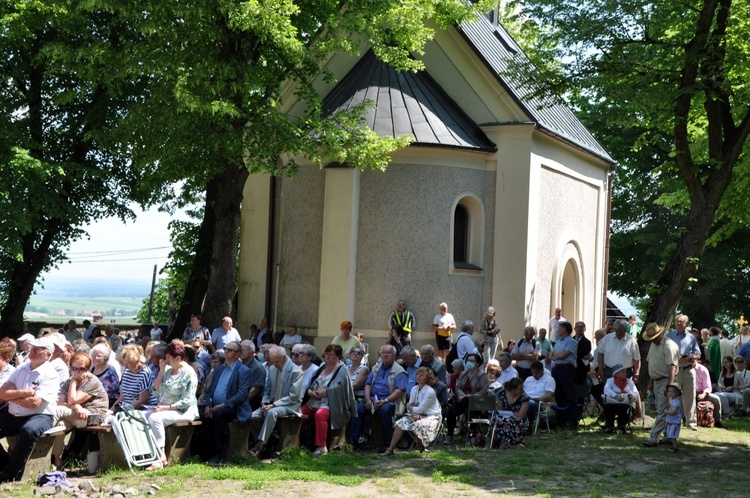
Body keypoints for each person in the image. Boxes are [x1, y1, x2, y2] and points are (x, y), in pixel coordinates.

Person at [0, 338, 58, 483]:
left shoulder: (50, 374)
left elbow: (35, 403)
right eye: (32, 348)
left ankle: (12, 473)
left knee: (29, 430)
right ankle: (6, 465)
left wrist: (12, 395)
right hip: (14, 413)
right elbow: (2, 393)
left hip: (40, 415)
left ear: (48, 355)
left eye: (38, 349)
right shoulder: (21, 369)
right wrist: (24, 392)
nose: (32, 351)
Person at [145, 342, 199, 470]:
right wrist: (162, 370)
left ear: (178, 358)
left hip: (183, 411)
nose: (165, 360)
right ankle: (147, 454)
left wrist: (165, 408)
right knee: (140, 416)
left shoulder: (188, 373)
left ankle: (159, 457)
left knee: (155, 418)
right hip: (163, 408)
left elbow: (187, 400)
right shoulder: (167, 370)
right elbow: (154, 390)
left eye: (168, 358)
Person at [52, 352, 108, 467]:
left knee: (59, 411)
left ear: (87, 368)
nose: (77, 371)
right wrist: (77, 407)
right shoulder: (68, 381)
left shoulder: (92, 381)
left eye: (81, 369)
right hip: (77, 414)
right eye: (74, 368)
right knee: (59, 427)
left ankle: (38, 437)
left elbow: (72, 400)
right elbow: (61, 402)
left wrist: (73, 383)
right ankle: (57, 461)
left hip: (93, 417)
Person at [348, 344, 407, 453]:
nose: (385, 355)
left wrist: (385, 401)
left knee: (384, 411)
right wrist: (367, 400)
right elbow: (368, 384)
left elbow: (399, 391)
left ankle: (387, 444)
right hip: (373, 399)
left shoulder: (399, 371)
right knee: (357, 409)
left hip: (390, 400)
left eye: (388, 353)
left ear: (394, 355)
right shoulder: (376, 368)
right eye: (383, 353)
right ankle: (353, 441)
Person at [301, 344, 356, 456]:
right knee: (299, 413)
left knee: (320, 415)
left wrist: (324, 393)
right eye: (326, 354)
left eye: (331, 355)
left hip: (331, 404)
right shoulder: (322, 366)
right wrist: (310, 392)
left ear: (338, 356)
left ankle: (322, 447)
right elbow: (312, 383)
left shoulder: (342, 369)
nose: (328, 357)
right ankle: (298, 442)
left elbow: (339, 388)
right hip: (314, 401)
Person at [202, 341, 252, 462]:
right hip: (215, 405)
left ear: (237, 355)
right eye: (225, 349)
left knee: (219, 415)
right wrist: (208, 405)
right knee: (199, 413)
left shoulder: (243, 370)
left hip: (234, 407)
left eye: (230, 350)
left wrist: (222, 405)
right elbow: (210, 391)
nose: (226, 351)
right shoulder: (219, 369)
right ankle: (201, 451)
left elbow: (242, 395)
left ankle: (218, 454)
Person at [249, 346, 304, 458]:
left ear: (284, 358)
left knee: (271, 413)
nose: (274, 364)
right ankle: (270, 441)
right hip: (271, 403)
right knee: (252, 416)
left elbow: (294, 396)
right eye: (272, 361)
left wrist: (273, 405)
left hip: (289, 405)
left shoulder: (296, 371)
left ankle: (260, 445)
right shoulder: (273, 369)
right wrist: (264, 403)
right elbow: (267, 390)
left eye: (276, 361)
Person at [382, 367, 442, 456]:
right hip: (417, 414)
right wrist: (413, 412)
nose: (418, 377)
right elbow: (409, 405)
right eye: (418, 374)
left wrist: (412, 409)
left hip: (432, 416)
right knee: (400, 423)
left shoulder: (430, 391)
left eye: (422, 375)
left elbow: (418, 408)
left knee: (418, 424)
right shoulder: (414, 388)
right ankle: (391, 449)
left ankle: (420, 447)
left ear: (428, 379)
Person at [642, 323, 679, 448]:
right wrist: (651, 382)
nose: (652, 340)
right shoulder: (654, 344)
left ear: (660, 334)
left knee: (663, 410)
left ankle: (653, 438)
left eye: (654, 337)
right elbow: (652, 364)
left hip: (666, 380)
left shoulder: (669, 345)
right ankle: (668, 436)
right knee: (661, 408)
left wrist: (670, 387)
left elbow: (672, 367)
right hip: (657, 380)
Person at [666, 314, 700, 430]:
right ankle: (673, 419)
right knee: (672, 395)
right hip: (674, 370)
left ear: (686, 324)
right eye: (677, 322)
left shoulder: (691, 338)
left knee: (690, 396)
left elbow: (698, 354)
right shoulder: (668, 336)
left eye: (681, 322)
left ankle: (691, 422)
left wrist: (689, 358)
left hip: (688, 369)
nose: (678, 324)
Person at [444, 352, 488, 444]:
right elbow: (457, 388)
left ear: (478, 363)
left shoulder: (482, 375)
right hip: (463, 400)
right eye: (468, 360)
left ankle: (472, 437)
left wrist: (471, 396)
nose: (469, 362)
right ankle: (449, 435)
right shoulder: (463, 374)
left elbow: (484, 391)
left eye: (472, 361)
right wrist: (463, 395)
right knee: (450, 410)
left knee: (470, 411)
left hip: (477, 402)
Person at [546, 321, 578, 429]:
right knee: (558, 394)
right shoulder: (559, 341)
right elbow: (551, 354)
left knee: (569, 394)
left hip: (567, 369)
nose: (557, 330)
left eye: (559, 328)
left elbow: (564, 355)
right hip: (557, 369)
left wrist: (556, 356)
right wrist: (555, 356)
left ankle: (573, 421)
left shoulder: (572, 342)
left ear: (564, 329)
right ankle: (561, 421)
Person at [492, 377, 530, 448]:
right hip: (503, 417)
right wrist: (513, 413)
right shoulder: (501, 394)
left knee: (510, 421)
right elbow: (500, 410)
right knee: (498, 420)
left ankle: (515, 442)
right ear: (513, 389)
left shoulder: (524, 397)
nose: (522, 390)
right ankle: (500, 442)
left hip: (520, 420)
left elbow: (521, 415)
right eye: (520, 389)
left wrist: (511, 414)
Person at [118, 344, 158, 409]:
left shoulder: (145, 373)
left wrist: (127, 409)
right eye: (125, 364)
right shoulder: (126, 372)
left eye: (129, 363)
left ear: (137, 361)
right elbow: (121, 397)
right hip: (127, 406)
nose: (126, 367)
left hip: (143, 408)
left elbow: (143, 400)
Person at [602, 364, 637, 433]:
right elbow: (606, 390)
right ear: (616, 374)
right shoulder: (610, 381)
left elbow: (635, 392)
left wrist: (632, 396)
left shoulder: (629, 382)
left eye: (625, 372)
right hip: (613, 401)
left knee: (625, 408)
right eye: (623, 372)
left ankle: (621, 428)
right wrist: (615, 395)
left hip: (625, 402)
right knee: (607, 407)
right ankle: (610, 427)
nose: (625, 373)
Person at [695, 358, 724, 428]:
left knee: (716, 399)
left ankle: (717, 421)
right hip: (688, 392)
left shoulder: (703, 370)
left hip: (701, 392)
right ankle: (683, 419)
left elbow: (708, 387)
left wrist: (703, 394)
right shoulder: (682, 369)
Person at [239, 340, 267, 411]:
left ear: (252, 353)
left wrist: (240, 404)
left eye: (244, 350)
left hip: (251, 402)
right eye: (240, 350)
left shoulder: (258, 368)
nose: (241, 352)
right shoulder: (240, 364)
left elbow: (254, 390)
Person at [90, 343, 120, 408]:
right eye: (93, 356)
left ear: (106, 358)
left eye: (99, 356)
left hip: (106, 403)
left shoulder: (110, 371)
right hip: (91, 400)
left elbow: (108, 392)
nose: (95, 358)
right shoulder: (91, 369)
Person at [664, 383, 682, 452]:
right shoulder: (671, 400)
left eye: (673, 392)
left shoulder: (676, 402)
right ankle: (674, 446)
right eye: (669, 391)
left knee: (673, 435)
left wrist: (666, 412)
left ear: (677, 393)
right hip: (671, 421)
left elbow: (673, 412)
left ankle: (675, 447)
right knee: (670, 434)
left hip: (675, 422)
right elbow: (669, 407)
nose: (670, 393)